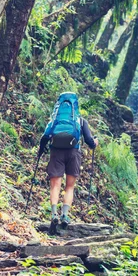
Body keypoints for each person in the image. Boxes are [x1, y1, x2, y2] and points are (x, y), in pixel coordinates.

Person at [37, 92, 98, 231]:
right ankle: (65, 215)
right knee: (69, 186)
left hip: (56, 152)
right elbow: (89, 141)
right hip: (73, 153)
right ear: (75, 105)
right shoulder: (80, 121)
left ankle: (54, 214)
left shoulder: (54, 120)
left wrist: (40, 151)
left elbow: (45, 137)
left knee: (55, 186)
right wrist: (95, 143)